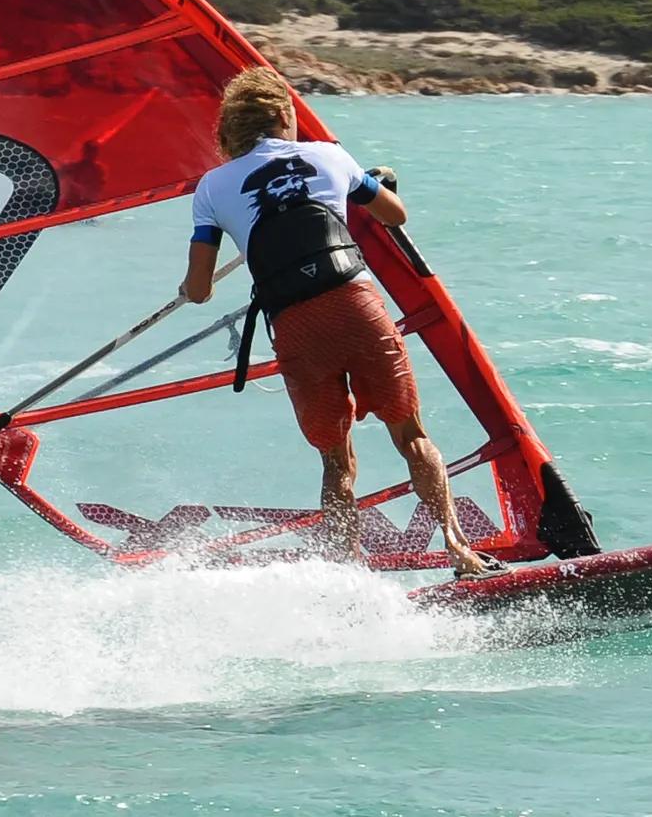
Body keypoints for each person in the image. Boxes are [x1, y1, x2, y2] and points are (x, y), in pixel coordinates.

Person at [180, 66, 501, 578]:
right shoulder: (329, 156)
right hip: (356, 305)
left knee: (336, 462)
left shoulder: (212, 188)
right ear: (285, 116)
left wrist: (188, 287)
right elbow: (395, 215)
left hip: (298, 326)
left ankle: (347, 573)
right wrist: (376, 180)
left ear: (229, 134)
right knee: (412, 435)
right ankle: (459, 550)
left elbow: (199, 291)